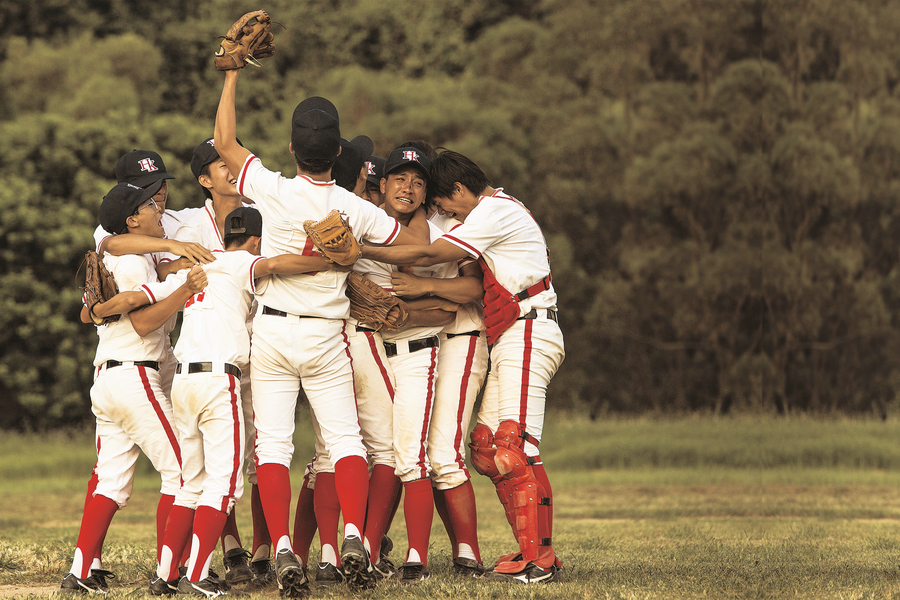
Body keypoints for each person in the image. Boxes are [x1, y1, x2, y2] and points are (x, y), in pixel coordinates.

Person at [212, 67, 427, 595]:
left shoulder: (273, 187)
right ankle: (353, 533)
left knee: (274, 448)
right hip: (328, 336)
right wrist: (362, 250)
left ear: (291, 147)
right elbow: (408, 244)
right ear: (337, 155)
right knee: (346, 438)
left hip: (274, 333)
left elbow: (224, 142)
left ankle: (284, 548)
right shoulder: (354, 208)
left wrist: (232, 74)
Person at [359, 149, 565, 584]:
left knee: (515, 448)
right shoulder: (496, 210)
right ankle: (531, 552)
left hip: (530, 326)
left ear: (457, 189)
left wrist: (359, 251)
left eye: (444, 202)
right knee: (489, 447)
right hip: (514, 330)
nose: (444, 211)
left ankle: (539, 560)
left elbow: (431, 252)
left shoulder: (490, 211)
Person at [135, 207, 347, 597]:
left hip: (183, 380)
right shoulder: (243, 262)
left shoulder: (200, 266)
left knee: (190, 485)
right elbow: (279, 265)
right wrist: (328, 258)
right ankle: (196, 575)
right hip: (219, 380)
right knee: (226, 484)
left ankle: (165, 576)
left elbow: (149, 299)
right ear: (254, 240)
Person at [61, 182, 208, 594]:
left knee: (111, 481)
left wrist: (93, 311)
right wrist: (184, 288)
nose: (158, 207)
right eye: (149, 204)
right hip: (133, 376)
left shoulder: (133, 255)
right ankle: (169, 574)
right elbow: (139, 315)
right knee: (183, 472)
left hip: (109, 379)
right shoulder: (128, 263)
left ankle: (81, 571)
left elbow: (150, 277)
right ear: (131, 220)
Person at [175, 138, 273, 589]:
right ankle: (229, 548)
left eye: (231, 159)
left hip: (263, 348)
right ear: (203, 179)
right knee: (223, 464)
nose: (230, 168)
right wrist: (173, 249)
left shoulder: (263, 206)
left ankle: (263, 550)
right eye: (219, 164)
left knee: (263, 453)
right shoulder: (188, 221)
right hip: (217, 350)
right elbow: (110, 235)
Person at [374, 145, 459, 583]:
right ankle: (369, 551)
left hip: (415, 354)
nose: (408, 187)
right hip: (370, 356)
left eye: (418, 181)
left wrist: (403, 311)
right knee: (376, 456)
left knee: (411, 457)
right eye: (400, 178)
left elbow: (446, 312)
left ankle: (416, 558)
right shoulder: (367, 225)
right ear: (383, 184)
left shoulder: (438, 234)